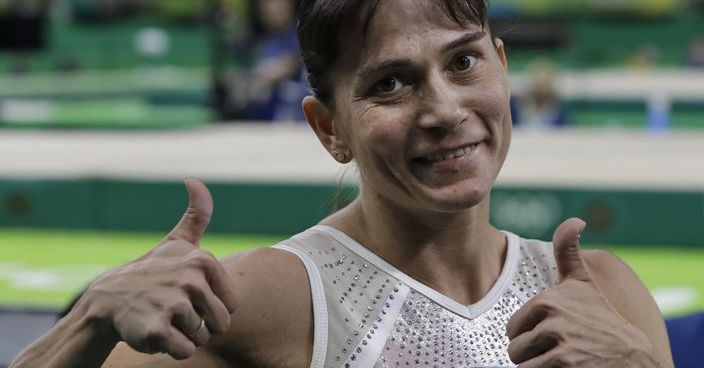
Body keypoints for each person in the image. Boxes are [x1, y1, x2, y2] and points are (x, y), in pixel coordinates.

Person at [12, 1, 673, 367]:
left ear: (501, 67)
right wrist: (90, 319)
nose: (444, 110)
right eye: (390, 83)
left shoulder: (607, 297)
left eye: (464, 61)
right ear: (329, 128)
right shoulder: (272, 300)